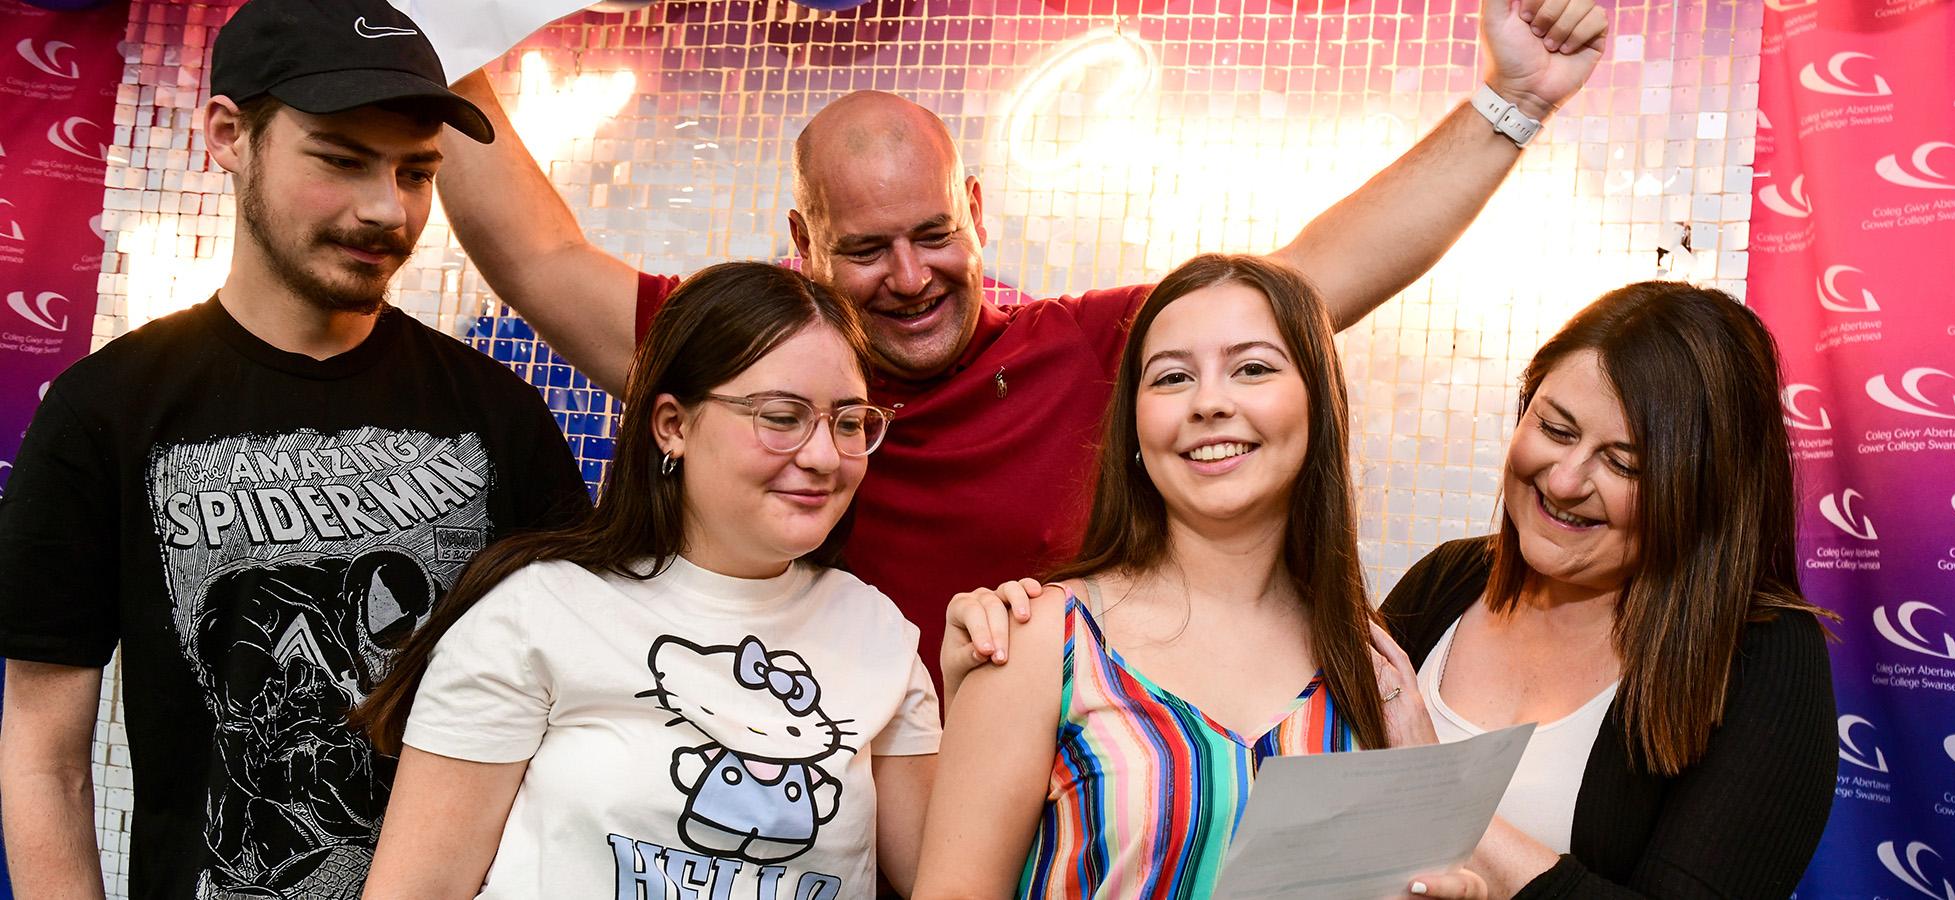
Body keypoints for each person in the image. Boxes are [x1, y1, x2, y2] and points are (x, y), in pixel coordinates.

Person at [434, 0, 1612, 670]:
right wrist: (432, 44)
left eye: (935, 233)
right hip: (811, 824)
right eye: (864, 247)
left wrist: (1516, 101)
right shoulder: (745, 360)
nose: (908, 277)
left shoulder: (1094, 350)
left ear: (979, 213)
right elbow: (539, 258)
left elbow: (1315, 278)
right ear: (803, 239)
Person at [0, 1, 590, 897]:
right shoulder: (106, 412)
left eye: (416, 171)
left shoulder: (498, 416)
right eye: (341, 160)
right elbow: (46, 753)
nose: (385, 209)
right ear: (229, 134)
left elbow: (574, 719)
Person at [357, 262, 941, 899]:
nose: (824, 455)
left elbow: (952, 887)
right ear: (673, 425)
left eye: (849, 421)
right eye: (781, 416)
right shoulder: (540, 610)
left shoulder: (877, 632)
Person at [913, 254, 1481, 899]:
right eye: (1173, 377)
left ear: (1319, 405)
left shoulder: (1368, 664)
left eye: (1253, 368)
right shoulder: (1038, 638)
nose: (1210, 402)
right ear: (1133, 422)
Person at [1381, 281, 1837, 898]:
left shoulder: (1762, 655)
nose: (1565, 481)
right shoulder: (1446, 581)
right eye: (1557, 429)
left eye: (1624, 463)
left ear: (1707, 491)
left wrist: (1432, 787)